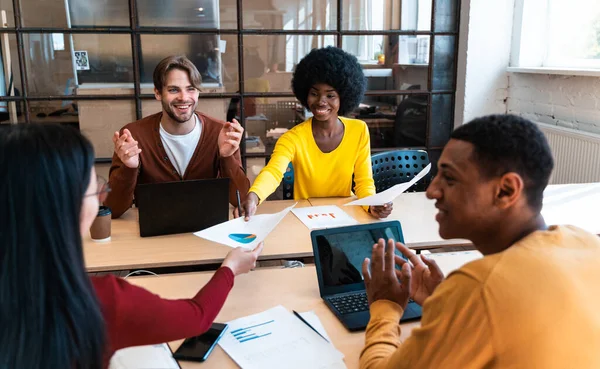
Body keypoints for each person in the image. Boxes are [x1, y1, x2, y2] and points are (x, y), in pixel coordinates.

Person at [0, 123, 262, 369]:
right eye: (94, 189)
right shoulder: (100, 303)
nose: (101, 194)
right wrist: (230, 268)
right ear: (68, 207)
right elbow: (197, 317)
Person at [359, 114, 600, 369]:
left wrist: (385, 306)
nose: (432, 191)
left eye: (450, 178)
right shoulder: (586, 242)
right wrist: (445, 305)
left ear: (506, 190)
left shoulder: (479, 287)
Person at [242, 47, 392, 220]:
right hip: (305, 217)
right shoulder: (293, 138)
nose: (321, 101)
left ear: (344, 96)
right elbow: (273, 172)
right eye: (314, 93)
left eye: (330, 95)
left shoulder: (358, 130)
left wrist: (372, 205)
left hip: (345, 216)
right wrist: (254, 195)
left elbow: (364, 182)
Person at [105, 55, 249, 218]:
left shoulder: (220, 132)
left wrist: (227, 157)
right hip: (154, 236)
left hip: (207, 232)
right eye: (173, 90)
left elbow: (241, 199)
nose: (184, 97)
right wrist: (129, 168)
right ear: (158, 93)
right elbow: (113, 209)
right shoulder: (134, 136)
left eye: (191, 89)